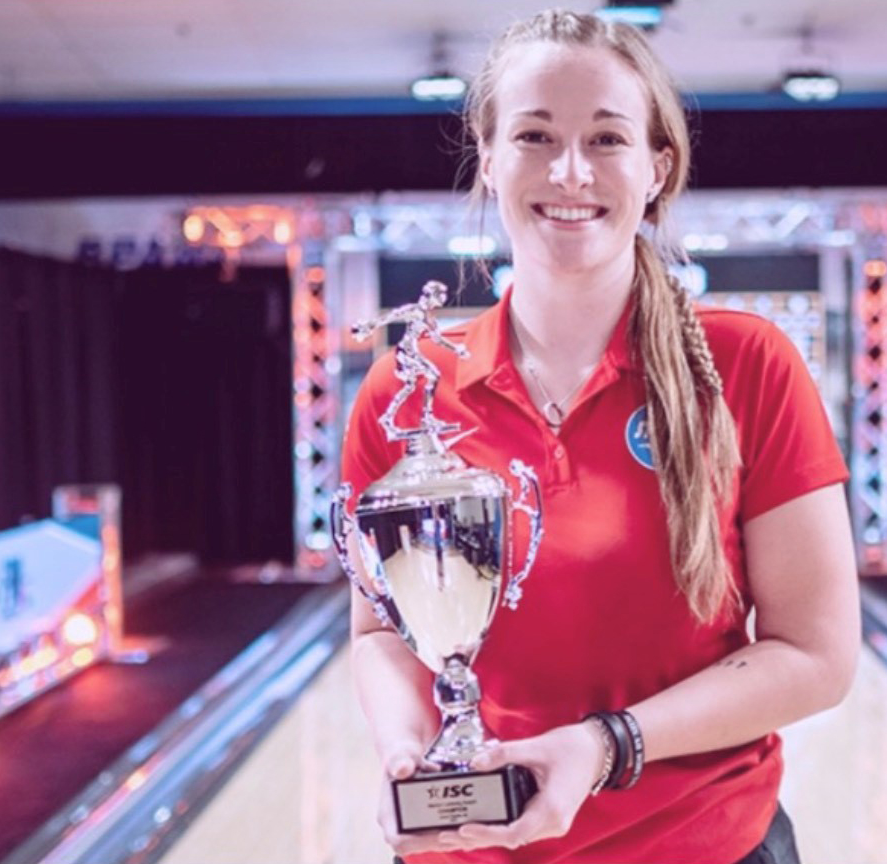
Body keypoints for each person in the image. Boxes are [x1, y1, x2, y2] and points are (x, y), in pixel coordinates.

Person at [341, 9, 859, 863]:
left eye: (607, 139)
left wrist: (604, 745)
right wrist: (407, 754)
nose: (570, 170)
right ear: (491, 156)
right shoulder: (409, 390)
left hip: (705, 844)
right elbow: (381, 634)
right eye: (536, 135)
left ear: (657, 167)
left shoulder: (746, 367)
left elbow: (816, 655)